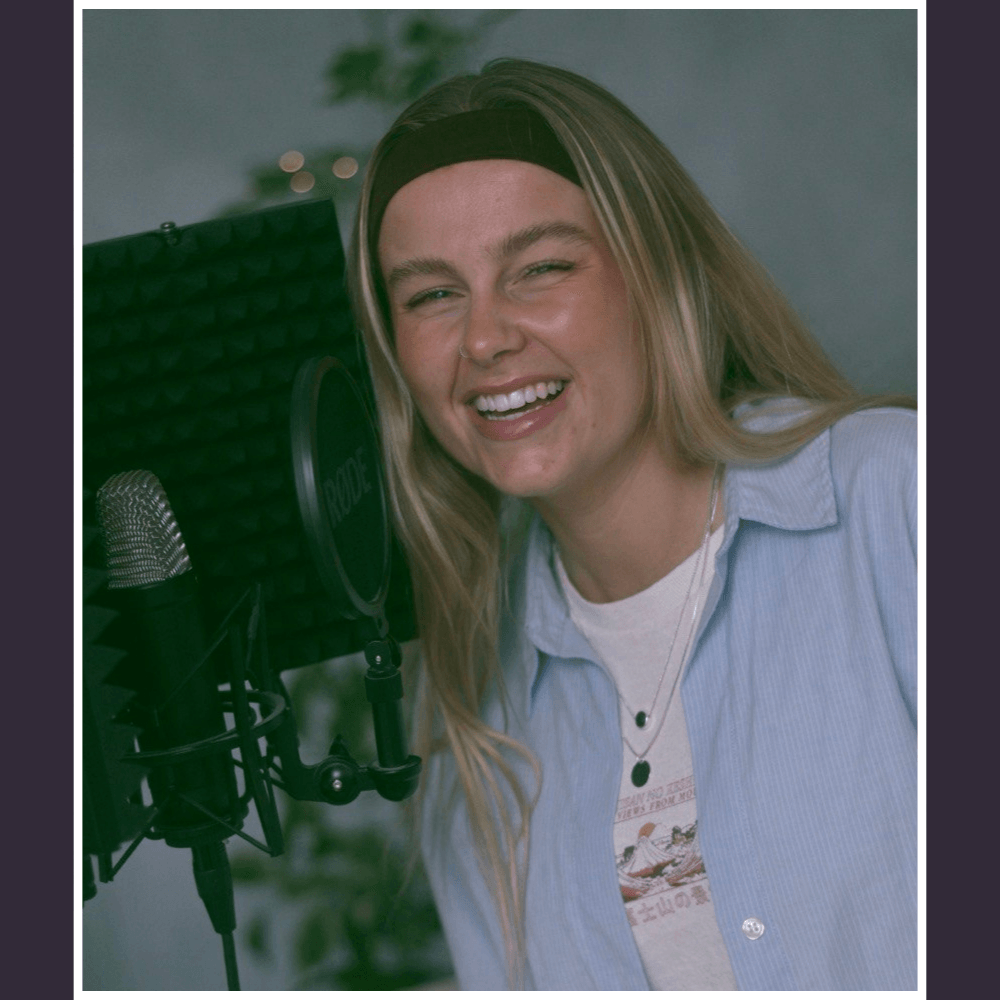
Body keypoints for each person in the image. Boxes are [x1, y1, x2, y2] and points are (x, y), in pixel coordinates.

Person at [347, 58, 916, 990]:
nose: (484, 339)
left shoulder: (898, 500)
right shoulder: (477, 715)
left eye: (540, 269)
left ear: (659, 271)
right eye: (433, 296)